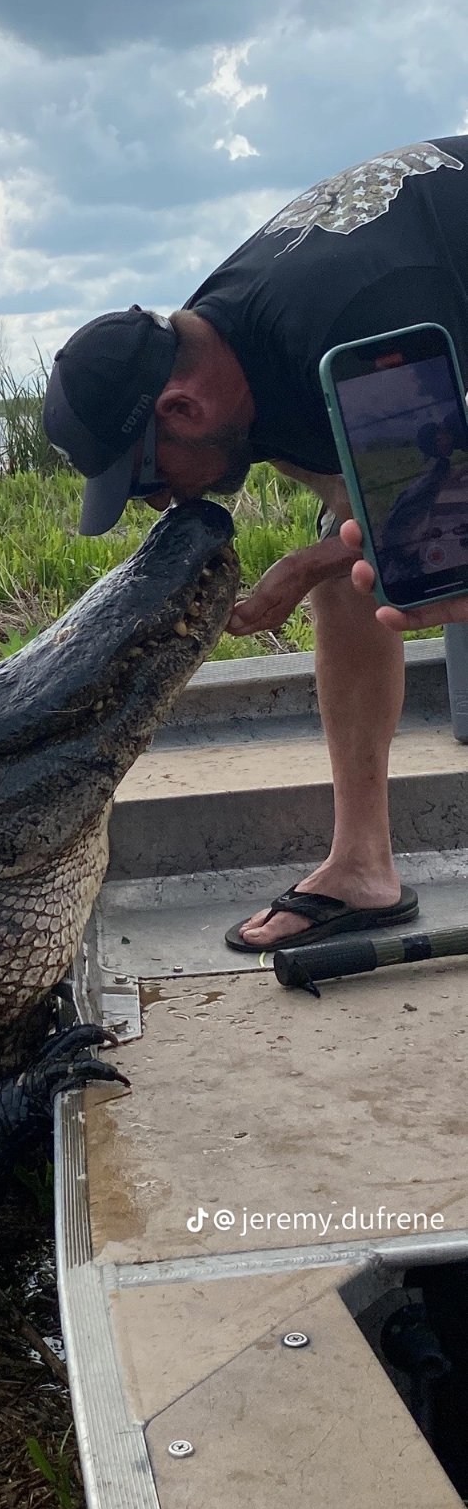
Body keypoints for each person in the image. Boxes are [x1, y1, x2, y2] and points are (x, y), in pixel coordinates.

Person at [43, 137, 468, 952]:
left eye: (148, 483)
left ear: (180, 410)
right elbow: (362, 501)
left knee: (414, 565)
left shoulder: (353, 322)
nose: (164, 503)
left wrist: (299, 572)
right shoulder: (225, 337)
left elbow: (439, 516)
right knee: (352, 570)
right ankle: (363, 868)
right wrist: (323, 562)